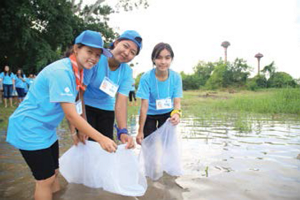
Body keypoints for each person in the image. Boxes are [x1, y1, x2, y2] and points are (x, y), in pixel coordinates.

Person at [6, 30, 119, 200]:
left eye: (97, 55)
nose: (94, 58)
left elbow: (75, 104)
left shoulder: (78, 72)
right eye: (89, 52)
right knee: (44, 180)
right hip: (29, 127)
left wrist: (76, 131)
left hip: (47, 129)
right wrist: (101, 138)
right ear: (76, 49)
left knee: (54, 173)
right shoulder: (61, 72)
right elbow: (72, 114)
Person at [83, 30, 142, 145]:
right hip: (86, 106)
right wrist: (82, 122)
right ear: (116, 43)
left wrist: (123, 131)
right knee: (87, 144)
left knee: (106, 147)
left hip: (106, 109)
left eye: (132, 52)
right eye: (125, 46)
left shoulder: (127, 72)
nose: (126, 53)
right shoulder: (97, 58)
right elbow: (79, 91)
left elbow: (121, 101)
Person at [136, 42, 183, 144]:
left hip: (167, 115)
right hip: (149, 114)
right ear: (153, 59)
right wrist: (140, 131)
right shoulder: (146, 78)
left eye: (167, 58)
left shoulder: (176, 77)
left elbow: (177, 101)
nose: (163, 62)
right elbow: (144, 106)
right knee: (150, 146)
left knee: (167, 146)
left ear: (171, 59)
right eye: (159, 58)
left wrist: (177, 114)